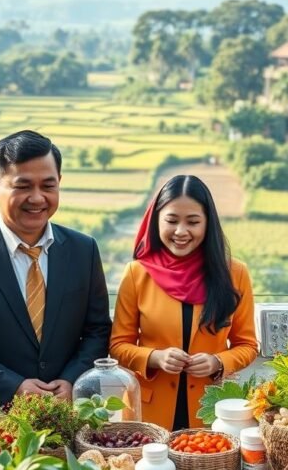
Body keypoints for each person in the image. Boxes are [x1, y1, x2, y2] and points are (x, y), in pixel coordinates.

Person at [0, 130, 111, 408]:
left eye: (48, 186)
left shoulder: (83, 250)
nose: (37, 198)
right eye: (23, 186)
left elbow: (98, 330)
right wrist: (14, 386)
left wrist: (72, 380)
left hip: (70, 409)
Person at [110, 175, 258, 430]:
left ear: (208, 224)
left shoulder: (235, 274)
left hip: (210, 412)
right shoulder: (137, 273)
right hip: (146, 412)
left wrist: (218, 362)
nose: (180, 231)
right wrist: (155, 357)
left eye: (193, 222)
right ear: (156, 220)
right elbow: (118, 346)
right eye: (171, 220)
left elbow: (247, 345)